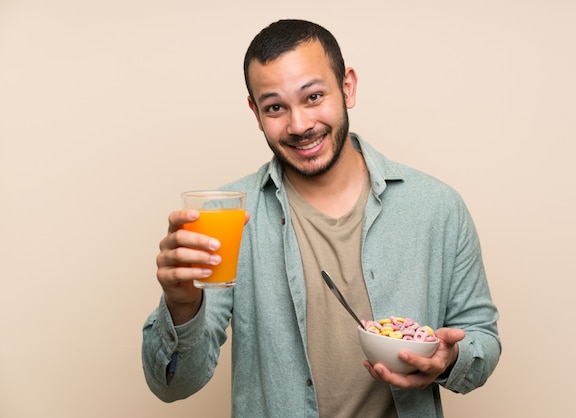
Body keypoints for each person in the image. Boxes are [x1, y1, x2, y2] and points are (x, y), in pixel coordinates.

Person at [142, 19, 501, 417]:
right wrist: (180, 305)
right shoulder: (226, 217)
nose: (299, 125)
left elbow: (482, 337)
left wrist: (447, 360)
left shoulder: (437, 207)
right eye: (275, 107)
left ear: (347, 86)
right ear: (255, 112)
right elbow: (174, 385)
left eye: (313, 96)